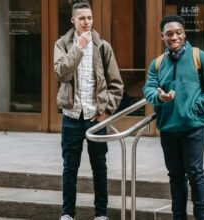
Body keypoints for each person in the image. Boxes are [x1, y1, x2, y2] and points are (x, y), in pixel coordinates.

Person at [143, 15, 204, 220]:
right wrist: (159, 97)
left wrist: (197, 106)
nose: (174, 37)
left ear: (184, 33)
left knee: (195, 174)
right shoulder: (158, 63)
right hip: (168, 128)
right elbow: (149, 89)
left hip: (193, 126)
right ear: (162, 36)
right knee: (175, 176)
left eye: (178, 32)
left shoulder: (200, 57)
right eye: (169, 34)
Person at [54, 0, 123, 219]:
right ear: (73, 20)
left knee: (99, 167)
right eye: (82, 18)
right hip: (72, 116)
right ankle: (68, 214)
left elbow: (116, 84)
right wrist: (78, 48)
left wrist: (106, 111)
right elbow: (61, 73)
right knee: (69, 168)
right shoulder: (63, 44)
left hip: (96, 117)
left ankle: (101, 214)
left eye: (89, 17)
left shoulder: (103, 46)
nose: (87, 22)